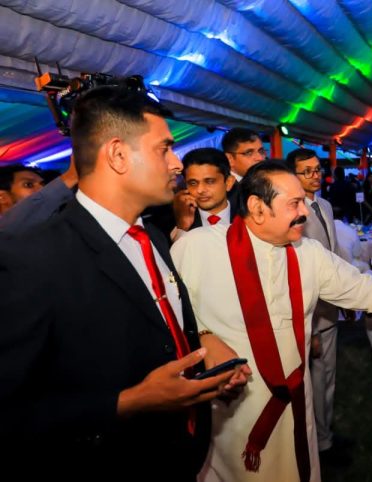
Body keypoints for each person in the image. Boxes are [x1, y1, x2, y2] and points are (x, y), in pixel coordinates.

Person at [0, 84, 248, 480]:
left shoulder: (151, 237)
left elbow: (151, 329)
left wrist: (202, 348)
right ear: (117, 155)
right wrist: (130, 402)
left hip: (180, 455)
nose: (176, 164)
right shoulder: (33, 257)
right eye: (164, 149)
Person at [170, 161, 372, 482]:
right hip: (229, 409)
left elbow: (364, 290)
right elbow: (169, 318)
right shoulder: (196, 247)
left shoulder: (308, 253)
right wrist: (205, 336)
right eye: (294, 203)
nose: (304, 212)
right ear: (257, 207)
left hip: (295, 398)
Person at [285, 147, 350, 464]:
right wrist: (306, 324)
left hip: (329, 307)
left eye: (317, 169)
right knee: (313, 380)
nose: (315, 175)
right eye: (306, 171)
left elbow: (333, 255)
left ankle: (324, 437)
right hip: (309, 313)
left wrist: (346, 295)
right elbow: (295, 270)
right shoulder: (290, 213)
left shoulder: (323, 205)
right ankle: (317, 444)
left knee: (328, 377)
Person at [172, 148, 236, 240]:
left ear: (229, 182)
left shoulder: (248, 215)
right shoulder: (175, 221)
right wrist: (182, 227)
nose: (200, 190)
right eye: (193, 183)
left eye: (209, 181)